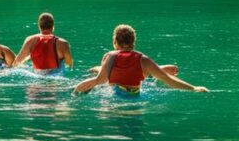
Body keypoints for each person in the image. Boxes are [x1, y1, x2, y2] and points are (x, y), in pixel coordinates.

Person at [75, 24, 208, 95]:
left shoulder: (109, 56)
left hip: (112, 98)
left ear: (115, 42)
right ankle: (153, 71)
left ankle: (152, 72)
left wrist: (75, 92)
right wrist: (194, 88)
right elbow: (169, 80)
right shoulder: (144, 60)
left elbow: (100, 80)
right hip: (134, 99)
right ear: (134, 42)